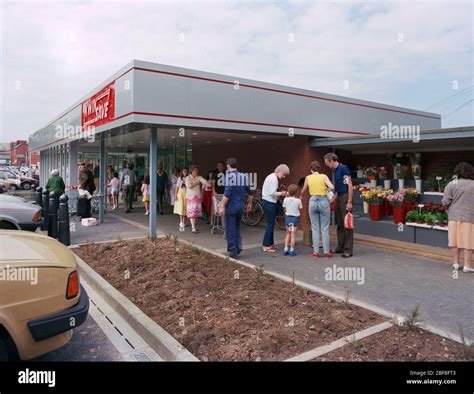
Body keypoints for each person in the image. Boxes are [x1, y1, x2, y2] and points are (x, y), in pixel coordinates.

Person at [218, 158, 254, 259]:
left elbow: (227, 194)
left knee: (230, 228)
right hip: (240, 205)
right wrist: (250, 203)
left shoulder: (229, 177)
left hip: (231, 206)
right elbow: (250, 192)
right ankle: (238, 246)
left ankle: (233, 251)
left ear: (228, 166)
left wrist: (221, 206)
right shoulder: (244, 176)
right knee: (237, 227)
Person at [442, 162, 474, 273]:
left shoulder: (452, 184)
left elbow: (445, 201)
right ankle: (467, 265)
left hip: (453, 216)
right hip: (469, 217)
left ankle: (456, 263)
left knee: (454, 241)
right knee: (468, 241)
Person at [301, 160, 335, 258]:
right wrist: (327, 189)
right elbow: (332, 187)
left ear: (311, 169)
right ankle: (326, 252)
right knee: (324, 228)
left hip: (312, 201)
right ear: (318, 169)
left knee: (315, 227)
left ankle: (315, 252)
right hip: (323, 200)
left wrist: (302, 196)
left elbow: (303, 189)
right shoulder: (324, 176)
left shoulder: (308, 177)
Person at [324, 153, 353, 258]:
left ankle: (348, 250)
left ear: (331, 160)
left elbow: (349, 185)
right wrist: (333, 200)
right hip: (339, 197)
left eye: (327, 162)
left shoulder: (343, 168)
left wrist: (349, 201)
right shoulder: (334, 171)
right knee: (340, 224)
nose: (326, 165)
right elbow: (337, 188)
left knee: (347, 225)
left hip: (345, 197)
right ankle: (340, 247)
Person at [261, 164, 290, 253]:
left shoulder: (271, 176)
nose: (284, 176)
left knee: (271, 223)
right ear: (280, 171)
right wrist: (282, 193)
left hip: (266, 201)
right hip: (270, 202)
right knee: (270, 224)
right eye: (284, 174)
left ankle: (270, 243)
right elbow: (272, 192)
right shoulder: (274, 179)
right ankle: (266, 245)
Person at [185, 165, 209, 234]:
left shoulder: (199, 177)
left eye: (197, 171)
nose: (197, 172)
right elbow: (189, 186)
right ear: (191, 171)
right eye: (195, 171)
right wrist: (197, 182)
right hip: (190, 197)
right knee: (192, 213)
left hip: (197, 197)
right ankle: (193, 228)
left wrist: (210, 182)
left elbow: (205, 182)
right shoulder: (187, 178)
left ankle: (193, 226)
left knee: (195, 213)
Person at [282, 184, 303, 256]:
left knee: (288, 234)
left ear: (288, 191)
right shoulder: (298, 200)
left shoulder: (285, 199)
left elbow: (284, 209)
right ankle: (292, 250)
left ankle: (285, 249)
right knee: (293, 235)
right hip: (295, 219)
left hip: (288, 218)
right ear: (296, 192)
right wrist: (300, 199)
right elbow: (300, 208)